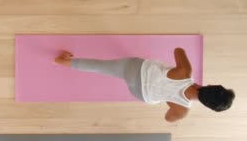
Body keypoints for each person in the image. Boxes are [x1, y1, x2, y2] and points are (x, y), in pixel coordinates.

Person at [54, 48, 235, 122]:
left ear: (211, 85)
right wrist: (169, 97)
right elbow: (168, 118)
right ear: (205, 104)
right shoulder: (182, 111)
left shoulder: (185, 72)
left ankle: (64, 61)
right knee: (106, 70)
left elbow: (178, 50)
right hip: (140, 93)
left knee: (102, 67)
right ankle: (65, 62)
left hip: (136, 69)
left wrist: (186, 72)